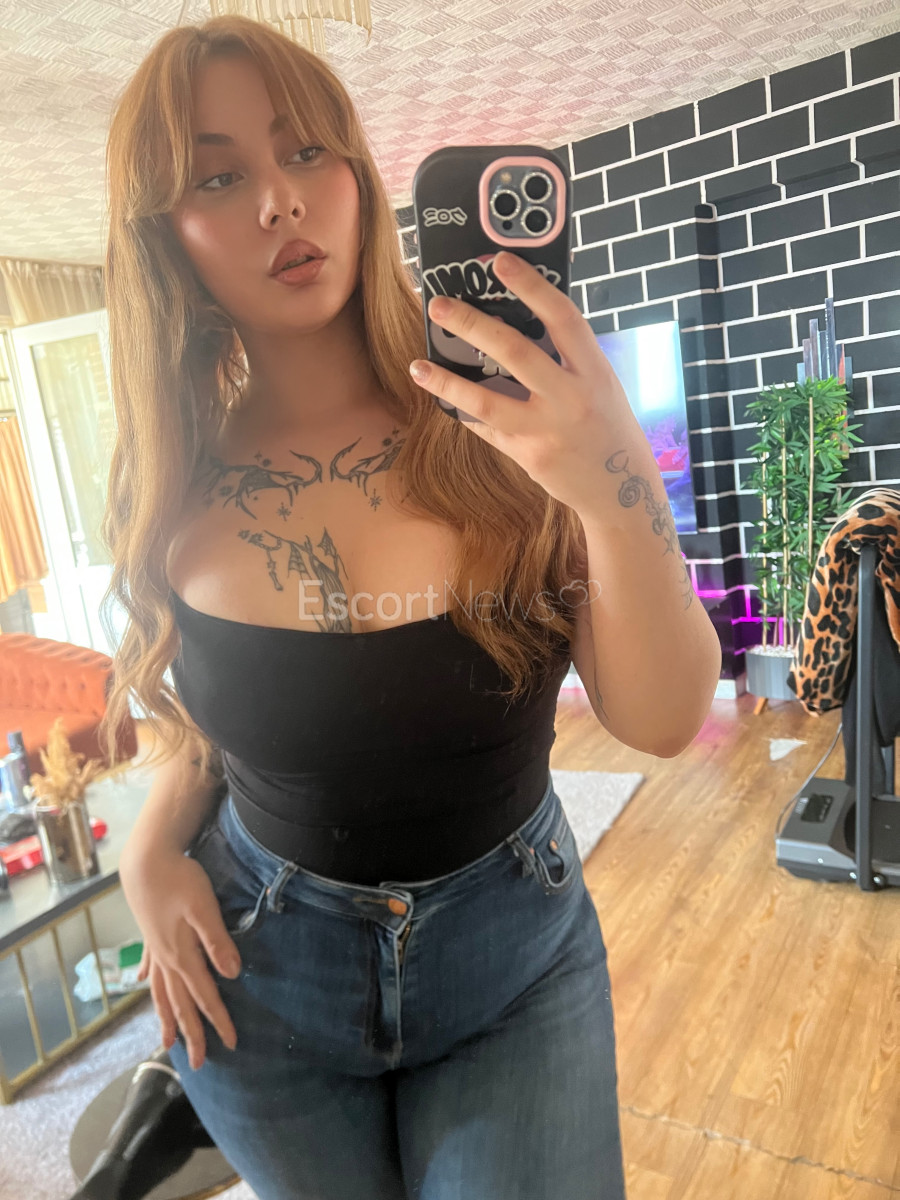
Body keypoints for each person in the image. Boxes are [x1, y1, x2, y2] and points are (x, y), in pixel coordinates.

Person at [102, 15, 721, 1200]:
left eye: (307, 152)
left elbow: (661, 717)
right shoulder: (170, 482)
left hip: (513, 968)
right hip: (259, 984)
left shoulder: (509, 424)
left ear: (357, 175)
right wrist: (147, 849)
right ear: (162, 237)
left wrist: (613, 478)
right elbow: (220, 712)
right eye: (218, 177)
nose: (280, 201)